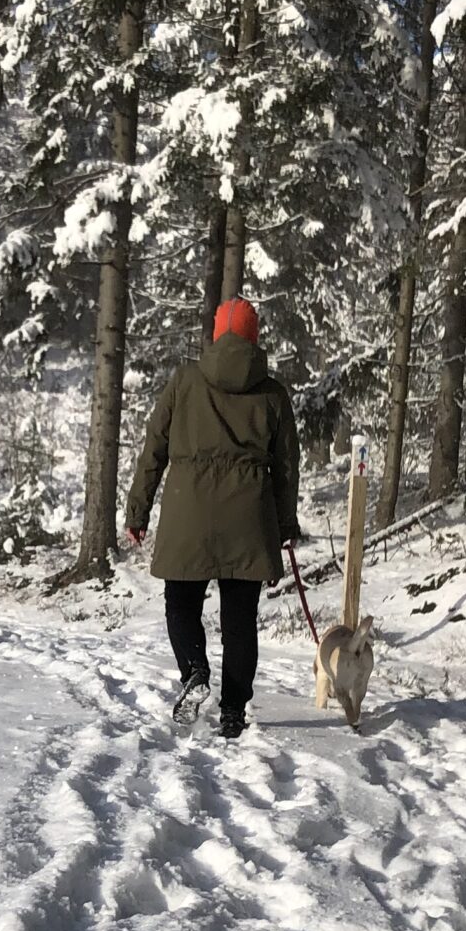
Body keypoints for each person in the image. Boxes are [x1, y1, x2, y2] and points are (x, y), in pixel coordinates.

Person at [124, 296, 301, 739]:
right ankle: (233, 712)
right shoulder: (273, 393)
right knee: (239, 621)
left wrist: (138, 510)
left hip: (188, 513)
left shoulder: (184, 381)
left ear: (217, 334)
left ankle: (195, 671)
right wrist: (284, 526)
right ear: (254, 338)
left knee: (181, 604)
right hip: (248, 519)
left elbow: (153, 449)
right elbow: (286, 468)